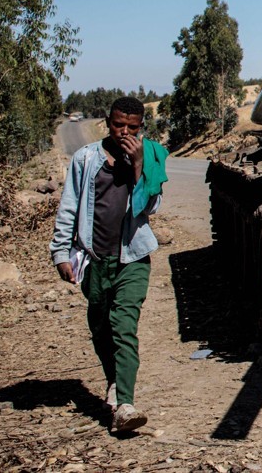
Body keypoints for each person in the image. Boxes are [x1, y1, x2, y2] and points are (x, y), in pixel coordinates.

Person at [48, 96, 168, 433]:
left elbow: (152, 206)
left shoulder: (152, 155)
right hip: (94, 258)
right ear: (107, 122)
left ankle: (125, 404)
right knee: (100, 326)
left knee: (123, 325)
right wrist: (60, 252)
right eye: (118, 125)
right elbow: (69, 207)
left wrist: (140, 163)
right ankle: (114, 381)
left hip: (132, 257)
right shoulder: (86, 159)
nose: (124, 132)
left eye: (132, 127)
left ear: (141, 127)